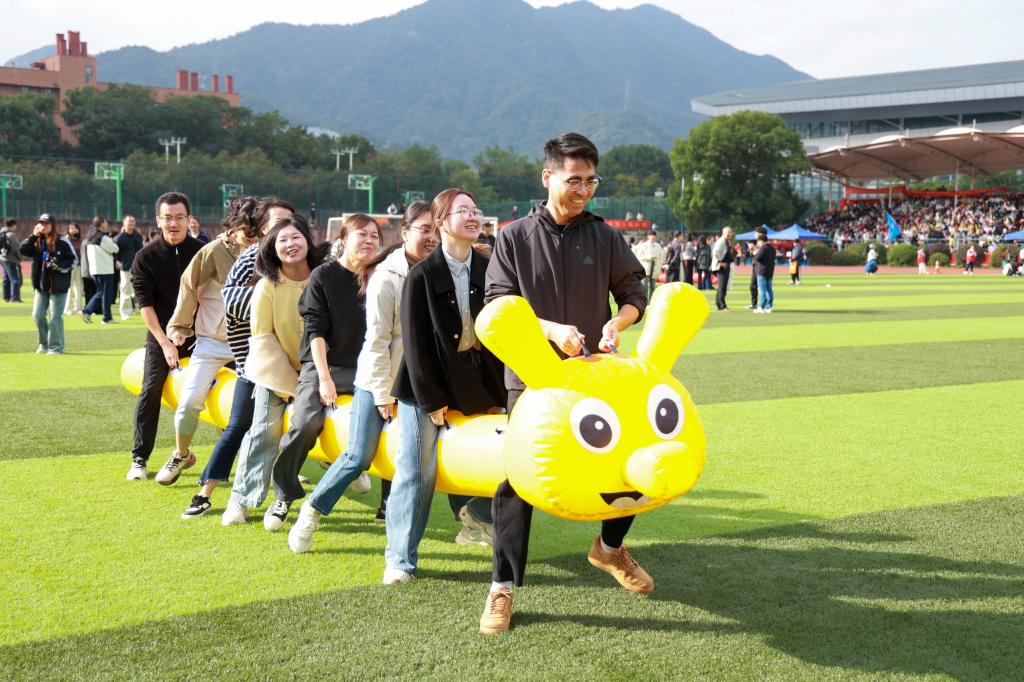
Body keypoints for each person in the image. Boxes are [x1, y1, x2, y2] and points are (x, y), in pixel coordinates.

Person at [481, 133, 647, 634]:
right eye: (574, 180)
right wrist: (552, 331)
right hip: (531, 378)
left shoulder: (605, 236)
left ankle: (610, 548)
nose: (583, 190)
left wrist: (617, 322)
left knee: (630, 465)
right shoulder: (513, 237)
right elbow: (497, 305)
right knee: (518, 482)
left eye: (591, 181)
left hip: (594, 376)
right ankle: (501, 587)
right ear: (547, 177)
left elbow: (634, 293)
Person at [290, 202, 437, 552]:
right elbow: (376, 343)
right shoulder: (386, 276)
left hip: (417, 383)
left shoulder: (438, 270)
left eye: (436, 230)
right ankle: (312, 511)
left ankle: (471, 518)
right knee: (358, 456)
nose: (432, 237)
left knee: (417, 460)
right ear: (405, 232)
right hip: (377, 380)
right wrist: (384, 393)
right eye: (425, 229)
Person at [383, 188, 506, 586]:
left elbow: (496, 337)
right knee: (416, 471)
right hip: (425, 385)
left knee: (498, 456)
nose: (473, 216)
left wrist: (497, 397)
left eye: (475, 210)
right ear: (440, 223)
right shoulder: (421, 275)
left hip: (475, 380)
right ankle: (400, 559)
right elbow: (416, 345)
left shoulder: (489, 268)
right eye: (462, 211)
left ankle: (476, 517)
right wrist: (433, 401)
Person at [266, 214, 381, 531]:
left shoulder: (381, 276)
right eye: (362, 234)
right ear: (343, 239)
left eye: (374, 236)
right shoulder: (323, 276)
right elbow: (315, 331)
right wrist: (325, 379)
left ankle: (387, 502)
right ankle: (284, 494)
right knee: (305, 423)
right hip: (323, 366)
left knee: (392, 420)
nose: (369, 241)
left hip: (367, 369)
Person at [180, 198, 294, 517]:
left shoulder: (306, 263)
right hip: (254, 364)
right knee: (239, 425)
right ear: (264, 228)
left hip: (297, 367)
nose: (285, 230)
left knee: (302, 427)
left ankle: (313, 479)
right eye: (277, 223)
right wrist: (277, 295)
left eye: (291, 223)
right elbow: (233, 305)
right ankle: (206, 492)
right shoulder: (250, 260)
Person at [221, 216, 320, 526]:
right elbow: (262, 338)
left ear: (307, 240)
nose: (290, 244)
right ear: (272, 249)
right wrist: (288, 383)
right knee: (264, 429)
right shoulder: (267, 286)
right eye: (282, 240)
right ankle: (241, 499)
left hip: (322, 371)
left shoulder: (324, 277)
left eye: (295, 237)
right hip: (276, 371)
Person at [159, 202, 256, 488]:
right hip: (212, 341)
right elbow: (189, 285)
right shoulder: (213, 251)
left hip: (252, 343)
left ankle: (278, 464)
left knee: (266, 407)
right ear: (234, 225)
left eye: (258, 230)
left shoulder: (268, 250)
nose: (253, 237)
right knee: (189, 402)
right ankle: (181, 454)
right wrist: (179, 326)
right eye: (247, 230)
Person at [126, 193, 204, 481]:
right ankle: (139, 459)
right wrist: (165, 343)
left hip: (201, 336)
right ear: (158, 220)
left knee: (231, 389)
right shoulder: (145, 257)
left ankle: (251, 457)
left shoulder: (202, 252)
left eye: (179, 217)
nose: (174, 223)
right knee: (150, 390)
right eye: (168, 218)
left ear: (188, 220)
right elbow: (145, 306)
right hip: (161, 335)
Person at [19, 213, 75, 354]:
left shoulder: (63, 241)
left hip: (59, 285)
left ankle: (56, 347)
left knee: (55, 317)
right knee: (37, 315)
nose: (42, 226)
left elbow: (74, 260)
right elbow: (22, 249)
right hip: (41, 284)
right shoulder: (37, 240)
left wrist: (59, 266)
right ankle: (44, 344)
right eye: (41, 223)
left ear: (53, 225)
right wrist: (33, 236)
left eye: (46, 223)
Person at [81, 216, 119, 324]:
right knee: (106, 293)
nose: (107, 225)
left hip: (95, 269)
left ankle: (89, 311)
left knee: (101, 292)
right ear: (101, 224)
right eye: (105, 222)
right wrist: (112, 243)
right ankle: (105, 317)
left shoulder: (90, 236)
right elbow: (115, 249)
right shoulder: (102, 237)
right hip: (105, 269)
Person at [114, 215, 145, 320]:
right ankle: (125, 312)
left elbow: (141, 251)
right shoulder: (119, 238)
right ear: (124, 223)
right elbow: (115, 251)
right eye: (129, 221)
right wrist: (117, 261)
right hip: (125, 268)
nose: (131, 223)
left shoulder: (138, 236)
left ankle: (139, 310)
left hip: (137, 268)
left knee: (137, 290)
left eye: (133, 221)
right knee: (125, 289)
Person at [634, 230, 663, 300]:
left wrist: (659, 265)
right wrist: (649, 257)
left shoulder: (658, 246)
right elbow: (639, 256)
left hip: (655, 268)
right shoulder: (644, 245)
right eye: (651, 236)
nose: (652, 237)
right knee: (644, 286)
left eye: (654, 236)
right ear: (648, 237)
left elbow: (661, 257)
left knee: (653, 286)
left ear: (655, 237)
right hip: (646, 268)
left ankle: (651, 301)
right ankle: (645, 301)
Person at [711, 226, 734, 311]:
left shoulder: (726, 241)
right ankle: (722, 306)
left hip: (725, 265)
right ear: (724, 233)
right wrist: (720, 262)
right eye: (728, 232)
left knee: (722, 286)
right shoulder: (721, 241)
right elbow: (715, 252)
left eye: (731, 232)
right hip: (721, 267)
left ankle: (719, 304)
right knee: (722, 287)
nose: (730, 234)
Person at [62, 222, 84, 314]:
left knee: (79, 287)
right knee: (69, 288)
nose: (73, 230)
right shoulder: (66, 240)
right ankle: (68, 308)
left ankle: (78, 307)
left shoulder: (80, 241)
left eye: (75, 228)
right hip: (70, 267)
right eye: (71, 228)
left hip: (79, 266)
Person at [752, 231, 777, 314]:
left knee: (762, 290)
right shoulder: (773, 249)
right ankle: (769, 307)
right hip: (770, 271)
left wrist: (755, 252)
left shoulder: (763, 248)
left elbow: (756, 258)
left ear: (761, 241)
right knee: (769, 289)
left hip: (762, 271)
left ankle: (761, 307)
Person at [1, 219, 24, 303]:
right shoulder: (11, 235)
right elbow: (16, 248)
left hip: (2, 258)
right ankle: (15, 298)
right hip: (11, 259)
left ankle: (6, 297)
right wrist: (20, 257)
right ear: (13, 225)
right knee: (15, 279)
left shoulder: (2, 233)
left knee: (6, 278)